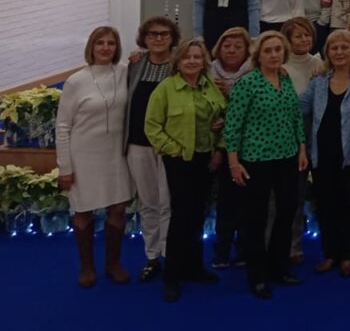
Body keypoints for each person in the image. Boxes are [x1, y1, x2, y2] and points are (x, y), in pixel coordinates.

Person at [223, 31, 308, 299]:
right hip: (256, 159)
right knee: (256, 219)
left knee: (287, 211)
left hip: (287, 156)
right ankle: (257, 275)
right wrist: (233, 162)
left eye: (278, 50)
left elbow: (295, 116)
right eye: (268, 51)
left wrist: (301, 147)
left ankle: (278, 267)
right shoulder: (247, 83)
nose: (273, 55)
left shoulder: (285, 78)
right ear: (258, 56)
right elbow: (232, 125)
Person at [143, 38, 227, 302]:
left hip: (206, 159)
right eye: (186, 57)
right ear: (177, 62)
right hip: (179, 160)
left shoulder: (210, 86)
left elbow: (224, 117)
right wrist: (175, 150)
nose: (192, 61)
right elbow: (152, 126)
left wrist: (218, 147)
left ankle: (194, 267)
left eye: (197, 57)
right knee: (180, 216)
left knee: (198, 215)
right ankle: (173, 275)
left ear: (204, 61)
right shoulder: (165, 89)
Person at [57, 26, 133, 289]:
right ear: (91, 46)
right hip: (83, 156)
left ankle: (113, 264)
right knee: (83, 211)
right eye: (100, 43)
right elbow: (63, 127)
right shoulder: (75, 81)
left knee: (118, 209)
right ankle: (87, 267)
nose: (105, 48)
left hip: (116, 155)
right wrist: (65, 167)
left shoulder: (125, 72)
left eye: (111, 43)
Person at [301, 29, 350, 278]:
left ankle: (349, 255)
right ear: (327, 52)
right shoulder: (319, 80)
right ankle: (330, 253)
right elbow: (300, 108)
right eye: (334, 48)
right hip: (322, 152)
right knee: (326, 204)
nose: (339, 52)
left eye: (344, 47)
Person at [124, 16, 181, 283]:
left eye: (164, 34)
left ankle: (170, 255)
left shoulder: (179, 66)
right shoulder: (135, 65)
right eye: (152, 34)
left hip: (170, 145)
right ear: (144, 38)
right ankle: (152, 256)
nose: (158, 39)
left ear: (172, 38)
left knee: (168, 203)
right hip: (138, 143)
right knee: (148, 203)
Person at [208, 27, 252, 269]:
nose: (232, 50)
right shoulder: (207, 72)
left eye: (238, 46)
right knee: (224, 202)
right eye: (227, 46)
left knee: (246, 203)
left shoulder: (255, 73)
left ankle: (244, 250)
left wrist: (233, 92)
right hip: (215, 147)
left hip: (249, 147)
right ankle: (221, 251)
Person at [281, 17, 322, 264]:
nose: (304, 39)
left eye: (307, 35)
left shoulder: (319, 63)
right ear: (288, 39)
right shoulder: (281, 65)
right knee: (293, 193)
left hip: (316, 130)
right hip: (289, 132)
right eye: (298, 36)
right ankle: (292, 246)